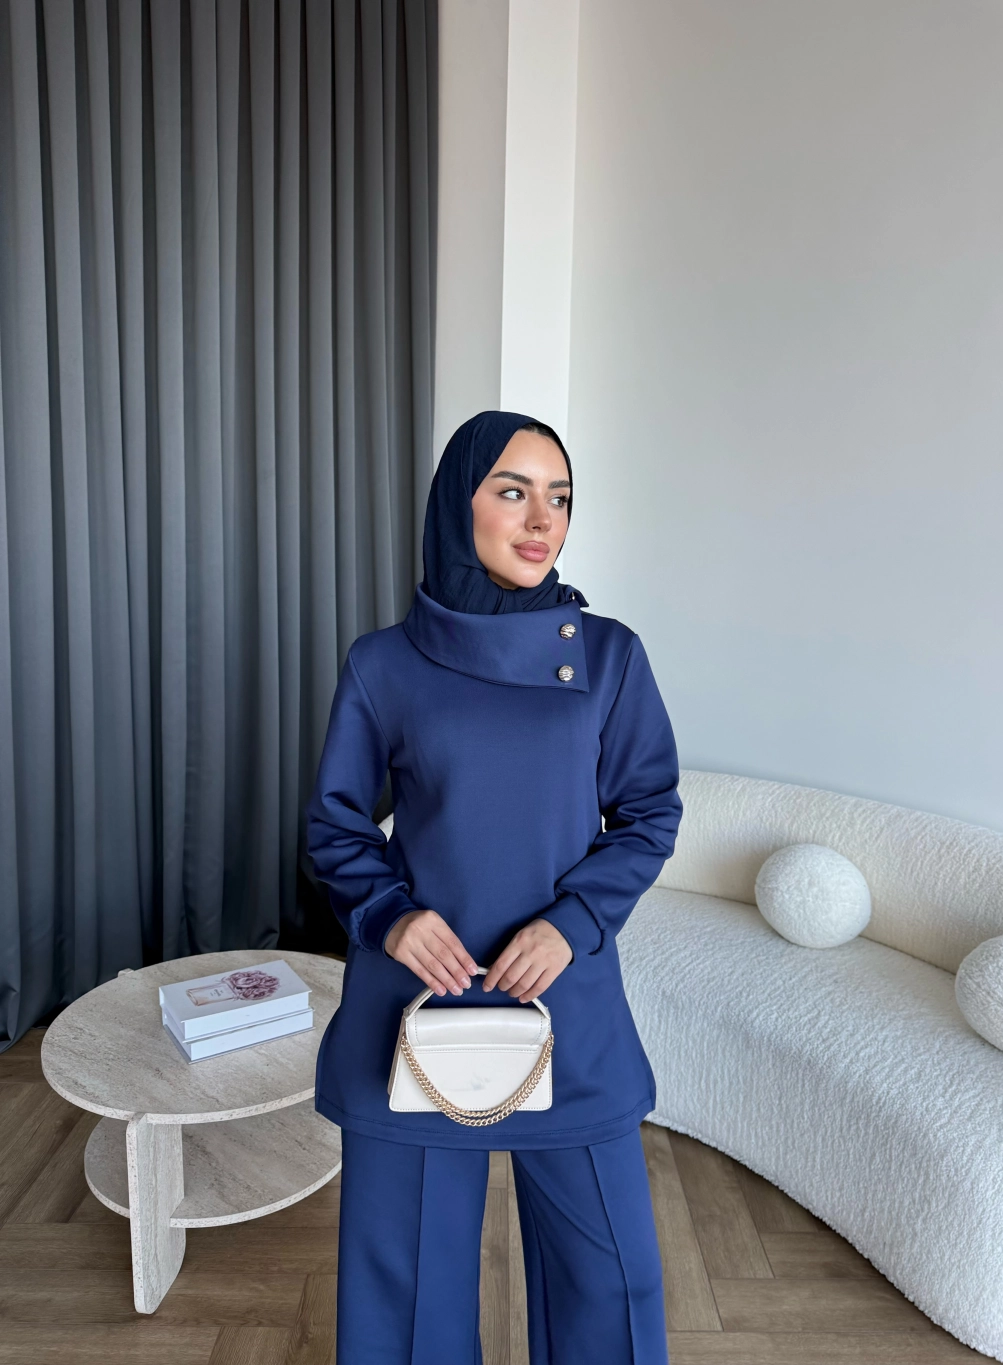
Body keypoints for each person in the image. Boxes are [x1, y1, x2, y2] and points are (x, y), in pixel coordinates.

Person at [306, 410, 684, 1365]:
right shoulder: (383, 664)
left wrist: (574, 921)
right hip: (417, 1005)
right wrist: (391, 917)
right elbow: (336, 823)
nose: (542, 519)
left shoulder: (609, 657)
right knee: (407, 1302)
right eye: (513, 491)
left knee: (614, 1283)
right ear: (457, 504)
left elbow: (650, 810)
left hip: (566, 995)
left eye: (559, 496)